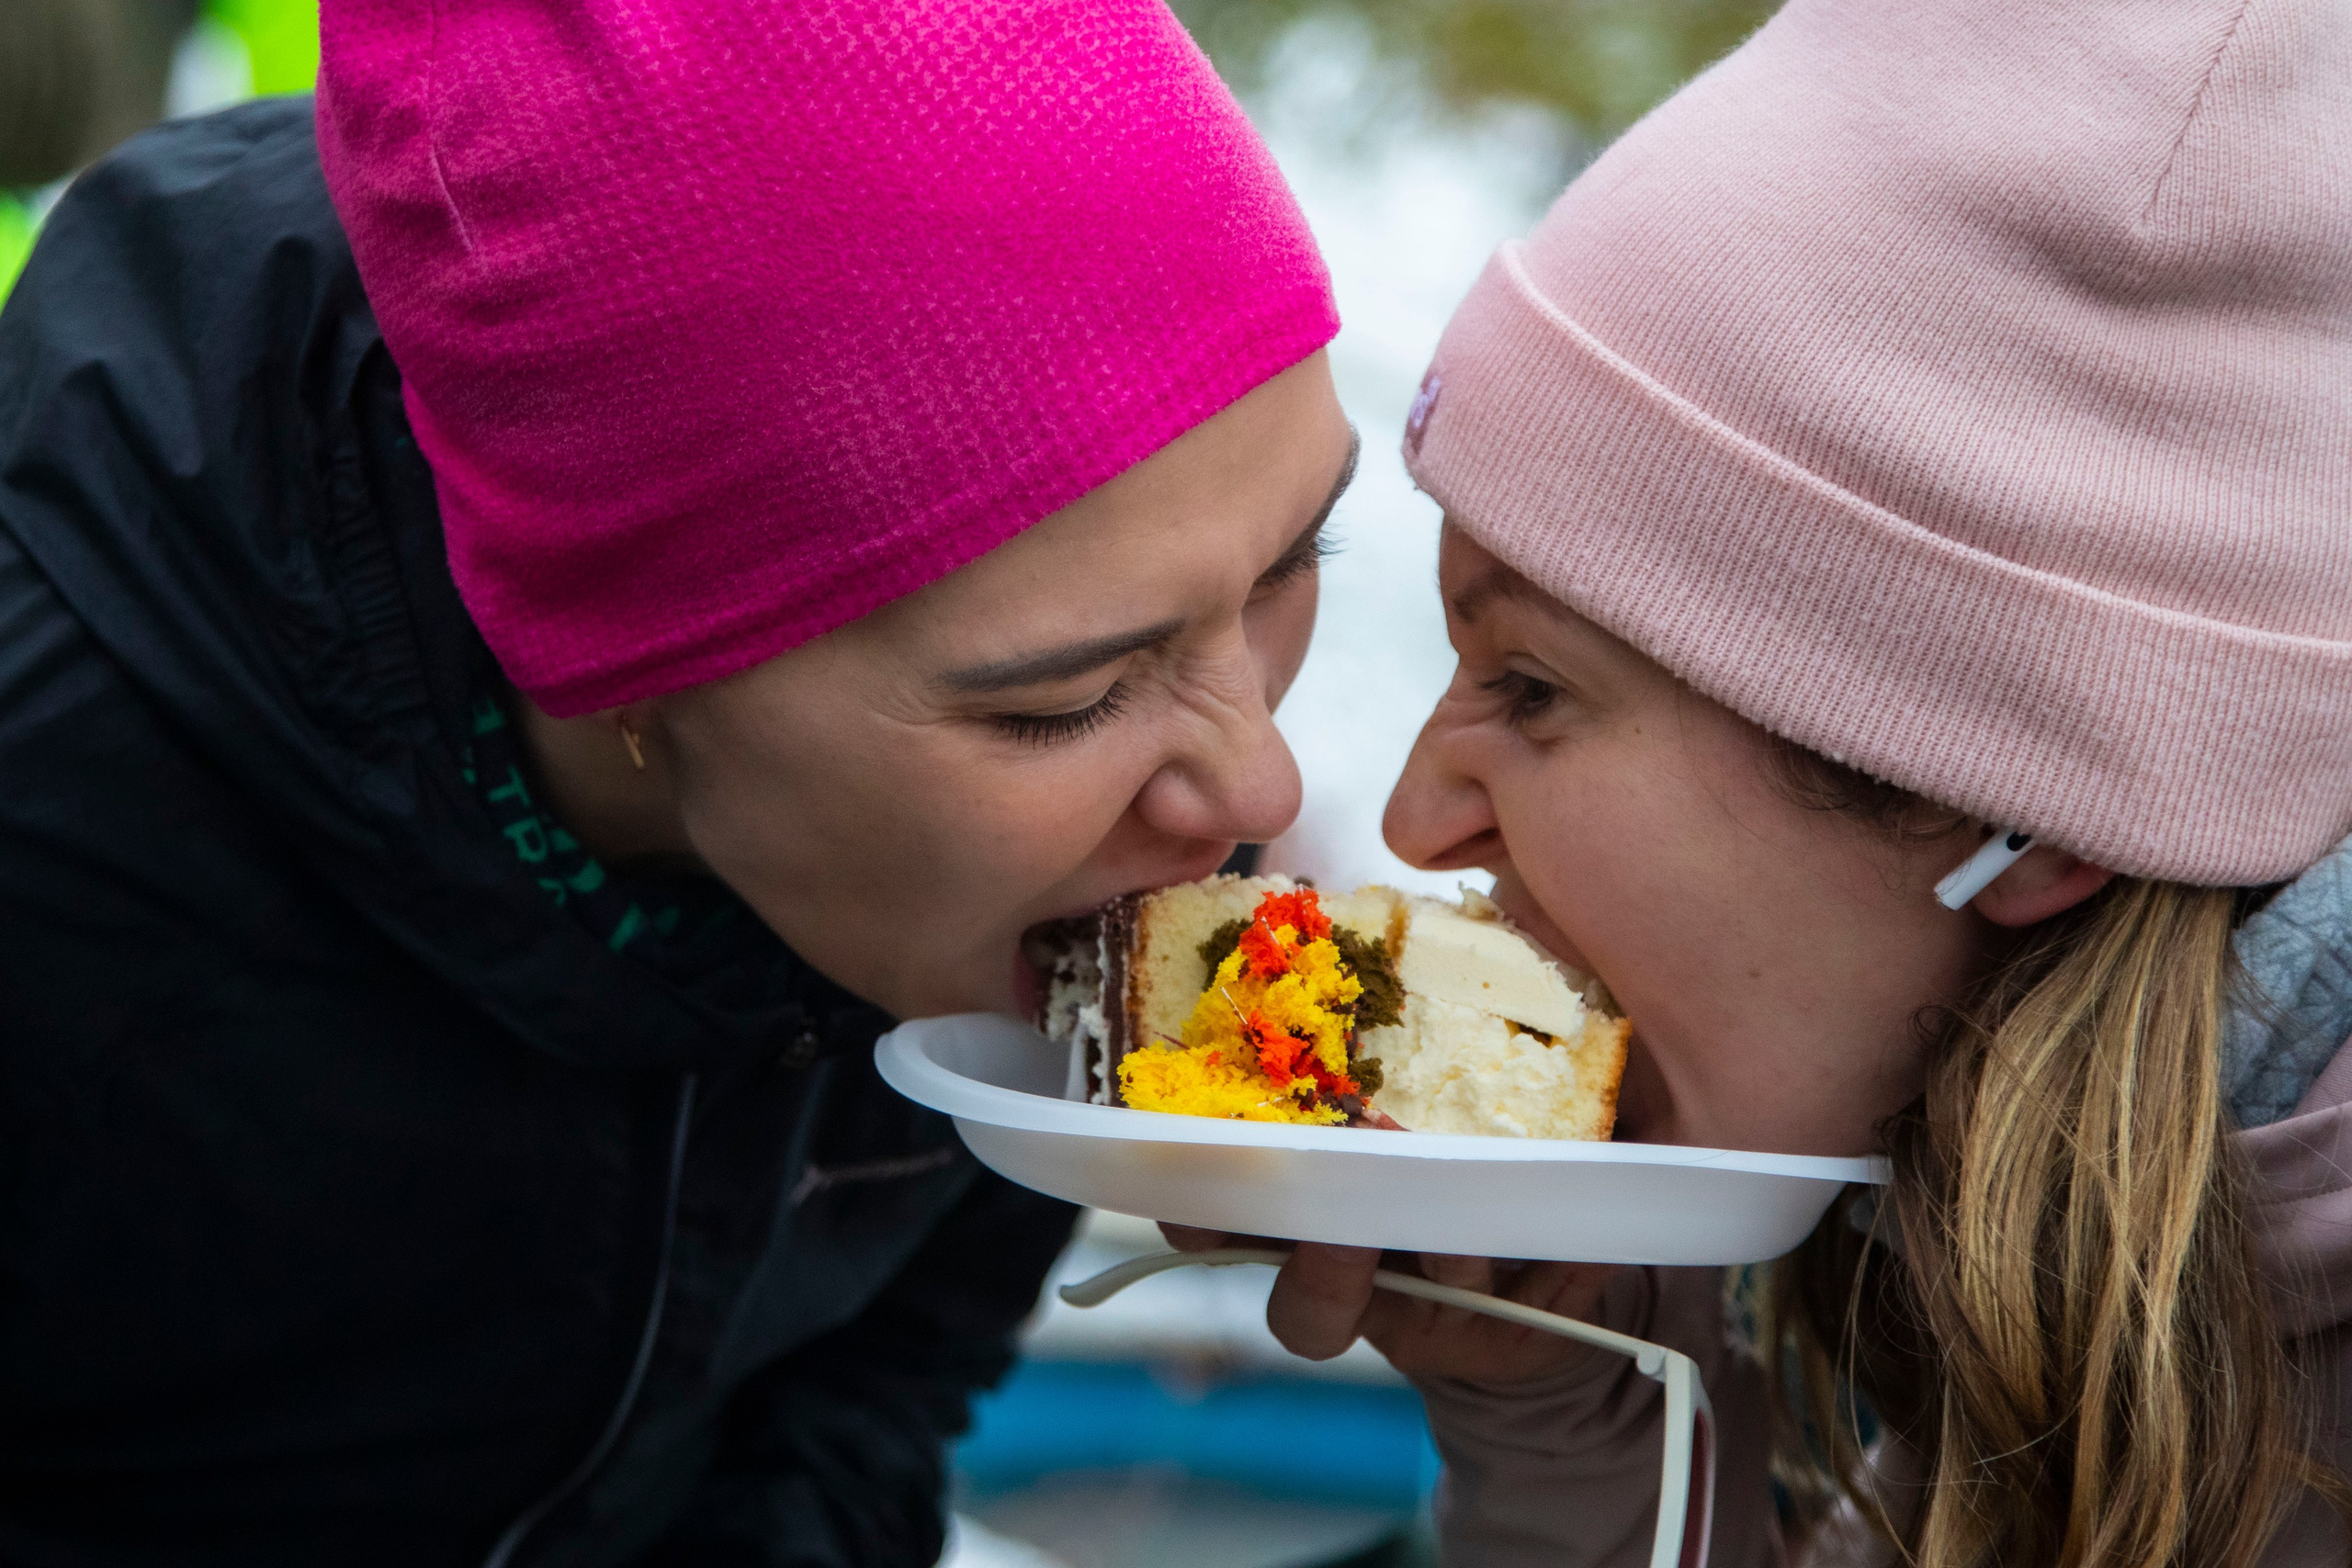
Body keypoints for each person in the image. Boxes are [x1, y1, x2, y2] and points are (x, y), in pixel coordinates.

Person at [0, 1, 1349, 1562]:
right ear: (623, 665)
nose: (1258, 786)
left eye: (1289, 564)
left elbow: (881, 1382)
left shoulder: (1110, 811)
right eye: (1069, 701)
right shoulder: (57, 828)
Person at [1178, 0, 2352, 1562]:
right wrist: (1580, 1417)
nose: (1414, 821)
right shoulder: (2002, 1260)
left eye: (1533, 688)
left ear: (2034, 815)